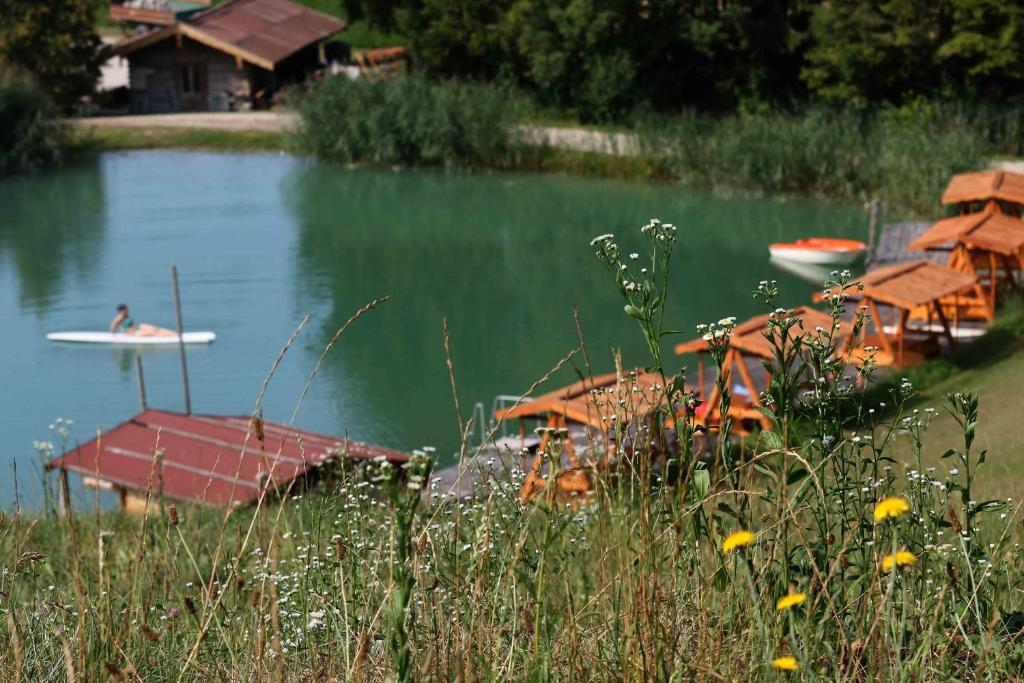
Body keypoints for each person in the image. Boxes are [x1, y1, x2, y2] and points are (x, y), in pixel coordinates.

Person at [109, 304, 177, 337]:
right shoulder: (119, 318)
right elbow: (112, 325)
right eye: (126, 309)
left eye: (127, 309)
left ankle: (176, 334)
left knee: (156, 329)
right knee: (153, 333)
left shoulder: (126, 315)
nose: (127, 310)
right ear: (122, 310)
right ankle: (171, 337)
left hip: (138, 328)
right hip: (132, 334)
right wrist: (113, 335)